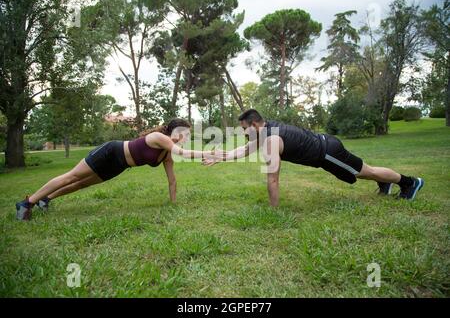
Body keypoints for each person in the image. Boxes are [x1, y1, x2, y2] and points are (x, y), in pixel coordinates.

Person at [203, 109, 424, 207]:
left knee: (366, 171)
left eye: (244, 129)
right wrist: (222, 156)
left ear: (253, 125)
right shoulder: (267, 129)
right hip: (327, 145)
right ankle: (386, 183)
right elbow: (245, 149)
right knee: (365, 170)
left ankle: (409, 182)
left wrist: (273, 210)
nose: (243, 133)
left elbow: (272, 180)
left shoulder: (270, 140)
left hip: (328, 153)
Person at [16, 118, 220, 220]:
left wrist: (173, 204)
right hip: (111, 152)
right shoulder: (161, 139)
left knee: (80, 184)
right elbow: (183, 153)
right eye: (186, 133)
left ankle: (46, 199)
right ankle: (27, 203)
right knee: (72, 177)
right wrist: (207, 154)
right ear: (176, 131)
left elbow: (172, 180)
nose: (187, 137)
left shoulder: (167, 153)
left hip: (120, 165)